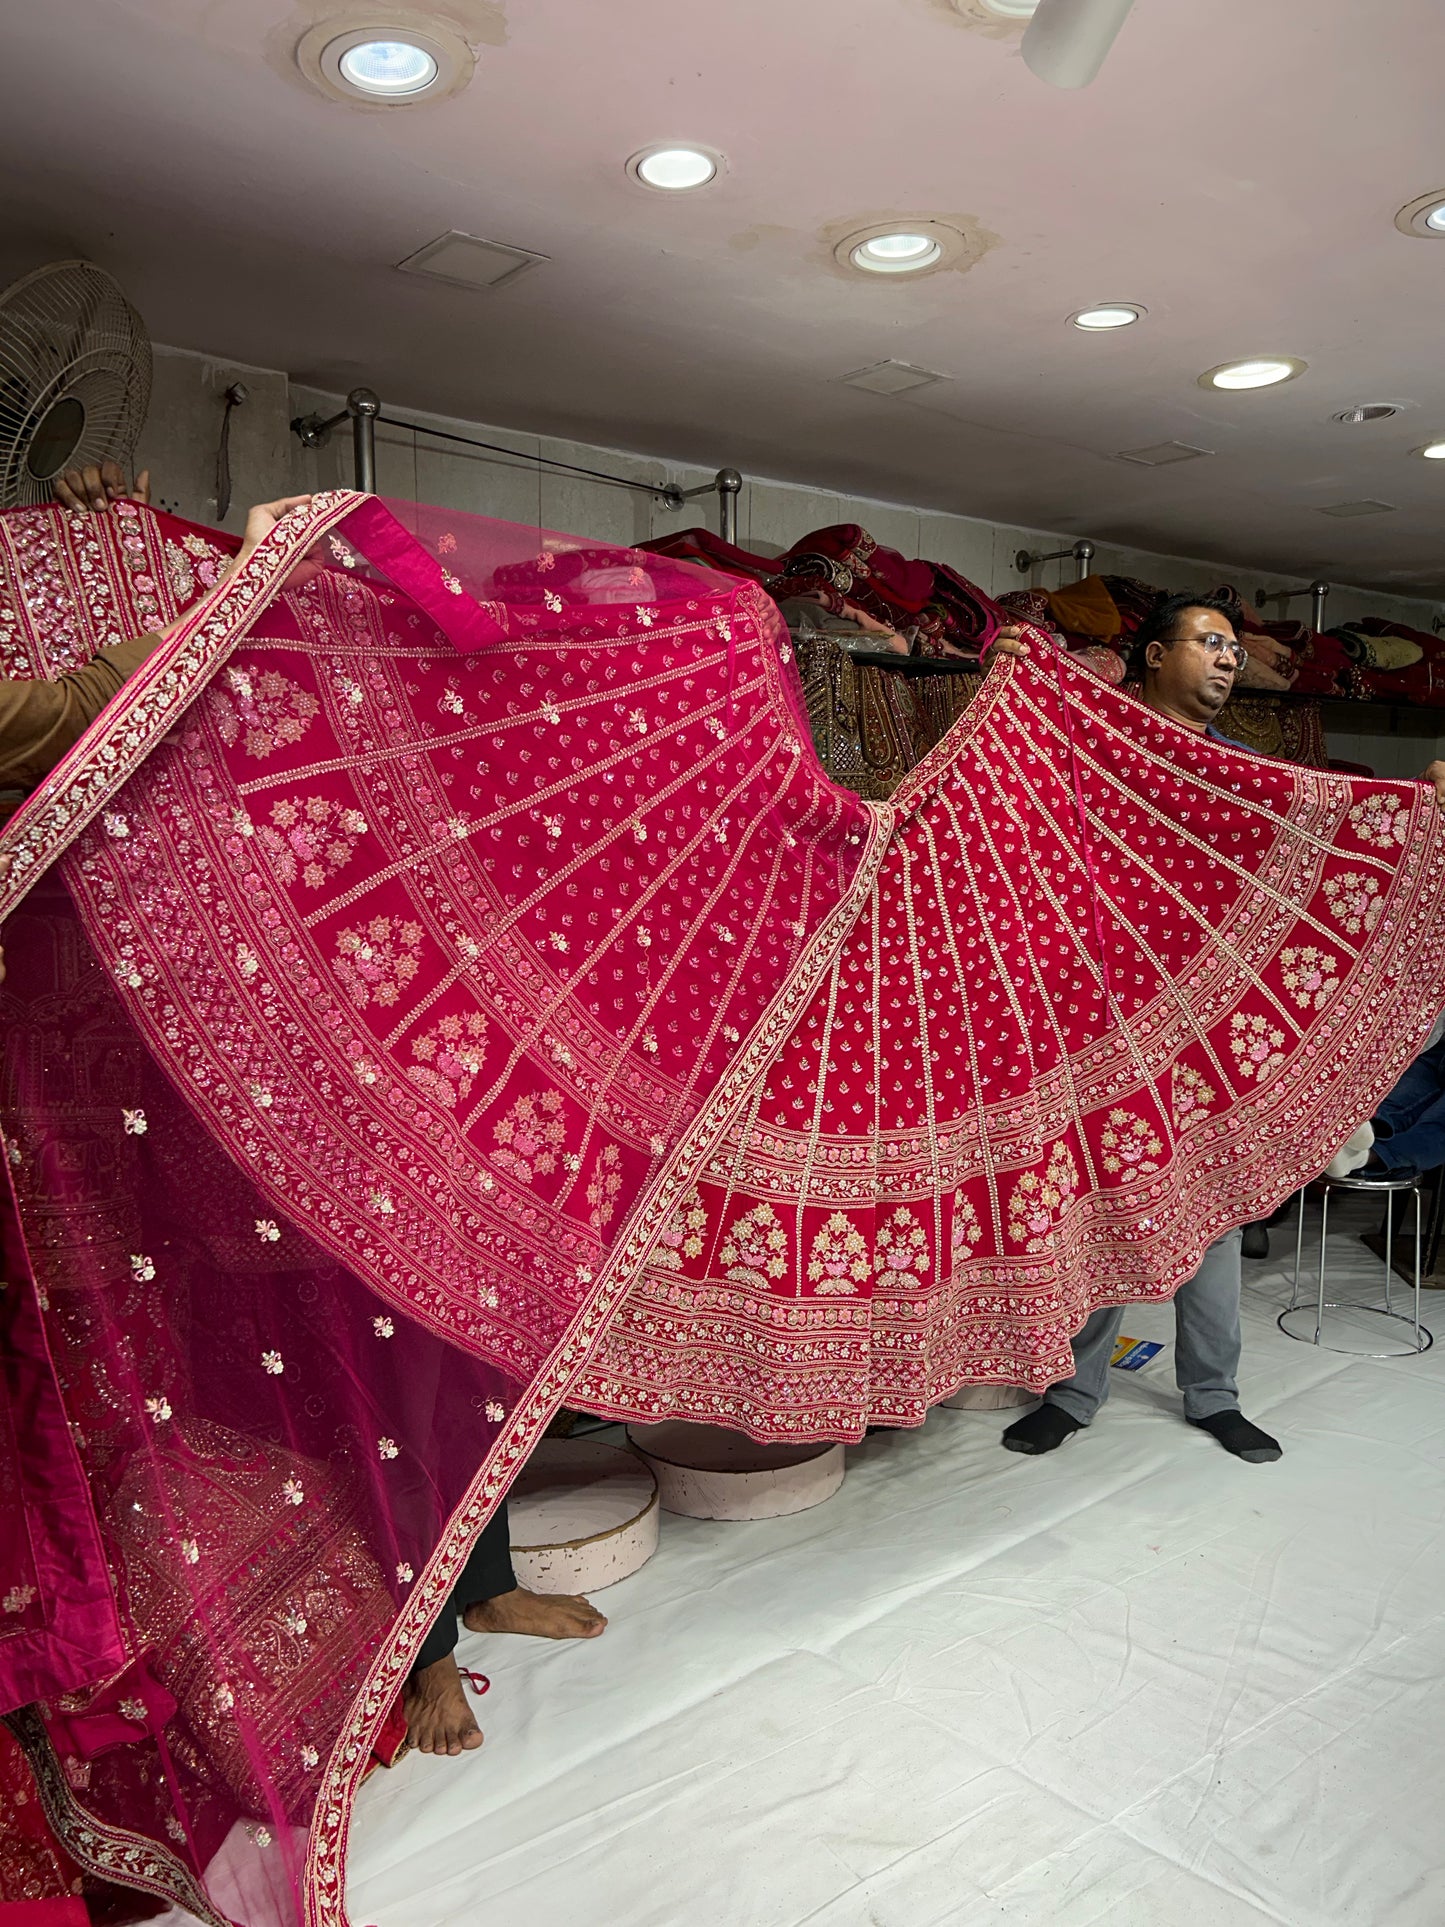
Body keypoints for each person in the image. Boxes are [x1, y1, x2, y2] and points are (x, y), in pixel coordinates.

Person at [998, 589, 1445, 1465]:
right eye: (1209, 641)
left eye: (1234, 646)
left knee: (1206, 1210)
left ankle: (1213, 1394)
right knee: (1102, 1206)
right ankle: (1071, 1392)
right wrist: (1014, 680)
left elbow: (1334, 830)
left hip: (1209, 1028)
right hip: (1103, 1018)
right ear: (1153, 655)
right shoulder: (1099, 748)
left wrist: (1417, 812)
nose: (1229, 656)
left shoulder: (1246, 770)